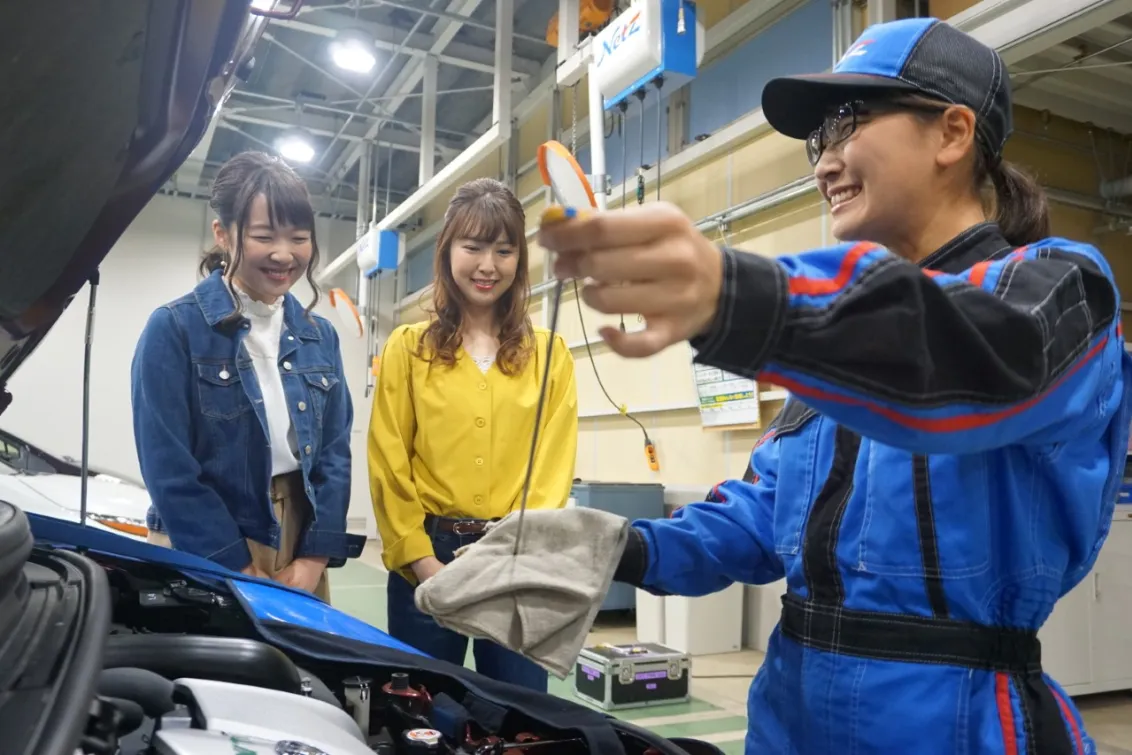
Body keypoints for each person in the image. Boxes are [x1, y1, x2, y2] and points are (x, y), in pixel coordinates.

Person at [538, 17, 1132, 755]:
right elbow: (761, 518)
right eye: (818, 141)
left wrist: (744, 297)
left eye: (847, 123)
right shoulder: (838, 346)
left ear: (951, 133)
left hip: (952, 718)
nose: (824, 163)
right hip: (790, 707)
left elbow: (971, 363)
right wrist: (612, 549)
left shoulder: (1059, 288)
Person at [369, 177, 578, 690]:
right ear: (447, 252)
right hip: (429, 555)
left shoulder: (550, 354)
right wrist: (422, 563)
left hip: (516, 560)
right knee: (423, 713)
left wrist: (518, 555)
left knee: (519, 717)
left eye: (504, 250)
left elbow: (552, 467)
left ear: (519, 261)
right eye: (474, 246)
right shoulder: (408, 347)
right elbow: (389, 459)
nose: (488, 265)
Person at [131, 151, 353, 602]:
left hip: (298, 536)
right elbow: (169, 468)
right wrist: (236, 564)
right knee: (210, 670)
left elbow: (335, 453)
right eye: (263, 236)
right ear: (224, 234)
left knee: (294, 669)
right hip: (201, 538)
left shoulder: (320, 335)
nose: (284, 254)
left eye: (299, 238)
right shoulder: (174, 328)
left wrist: (313, 560)